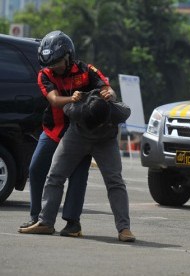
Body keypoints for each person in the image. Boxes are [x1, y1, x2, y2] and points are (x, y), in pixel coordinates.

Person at [20, 87, 136, 242]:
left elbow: (115, 96)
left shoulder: (120, 112)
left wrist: (111, 94)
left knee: (115, 182)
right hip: (77, 137)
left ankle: (124, 228)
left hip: (105, 142)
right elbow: (64, 105)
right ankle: (45, 222)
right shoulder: (74, 108)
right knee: (55, 176)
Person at [18, 30, 100, 237]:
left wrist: (107, 93)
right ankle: (37, 217)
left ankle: (73, 223)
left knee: (78, 175)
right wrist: (73, 98)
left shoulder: (86, 71)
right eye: (50, 65)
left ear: (68, 57)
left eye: (57, 63)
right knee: (36, 169)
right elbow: (54, 100)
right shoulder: (44, 74)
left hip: (81, 132)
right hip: (53, 130)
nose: (54, 68)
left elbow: (106, 87)